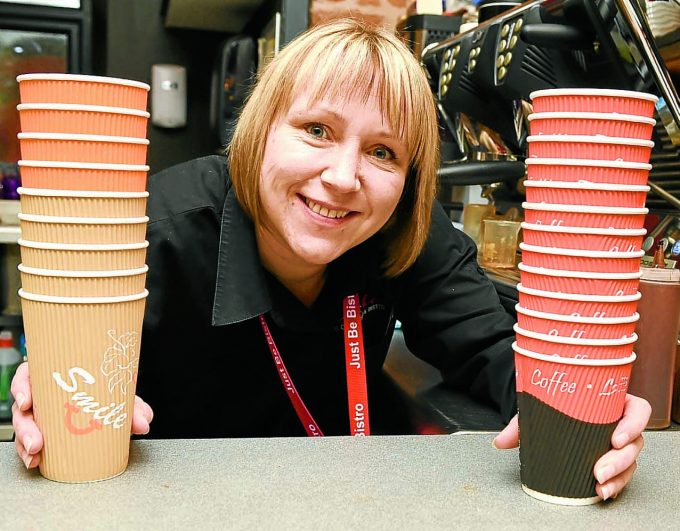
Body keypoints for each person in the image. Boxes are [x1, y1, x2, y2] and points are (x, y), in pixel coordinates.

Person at [11, 18, 649, 501]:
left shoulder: (404, 232)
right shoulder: (154, 232)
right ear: (261, 131)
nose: (344, 178)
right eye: (316, 130)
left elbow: (497, 354)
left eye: (383, 153)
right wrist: (43, 387)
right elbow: (69, 380)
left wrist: (592, 411)